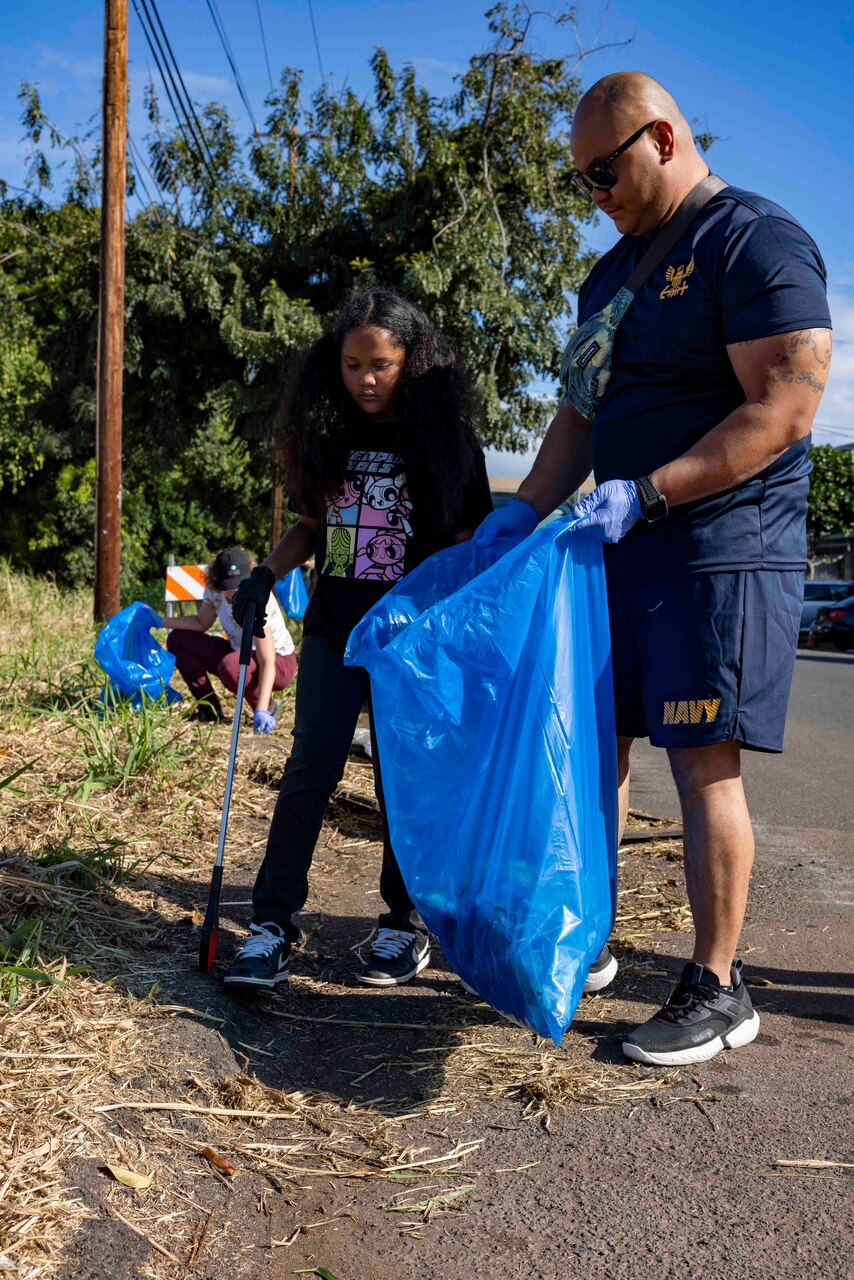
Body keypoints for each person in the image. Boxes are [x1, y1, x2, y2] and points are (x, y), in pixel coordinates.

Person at [474, 72, 832, 1066]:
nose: (594, 190)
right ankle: (586, 931)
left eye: (606, 168)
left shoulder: (752, 240)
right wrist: (517, 509)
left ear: (663, 138)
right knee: (597, 745)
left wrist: (654, 489)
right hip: (617, 547)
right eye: (577, 176)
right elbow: (579, 417)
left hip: (715, 547)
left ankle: (718, 985)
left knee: (697, 760)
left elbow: (783, 407)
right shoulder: (608, 276)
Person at [223, 287, 494, 990]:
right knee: (311, 763)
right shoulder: (327, 432)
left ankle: (402, 926)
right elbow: (313, 526)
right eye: (351, 364)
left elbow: (467, 545)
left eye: (381, 364)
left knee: (402, 778)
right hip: (336, 627)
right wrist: (265, 574)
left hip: (413, 640)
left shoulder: (448, 441)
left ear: (413, 362)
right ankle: (273, 923)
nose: (365, 379)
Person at [159, 546, 297, 731]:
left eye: (240, 583)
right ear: (217, 581)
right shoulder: (214, 591)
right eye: (228, 587)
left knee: (232, 667)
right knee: (179, 640)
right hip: (240, 651)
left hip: (278, 663)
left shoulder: (258, 599)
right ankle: (209, 710)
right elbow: (201, 622)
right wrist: (159, 620)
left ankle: (268, 707)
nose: (235, 590)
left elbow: (267, 660)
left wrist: (262, 707)